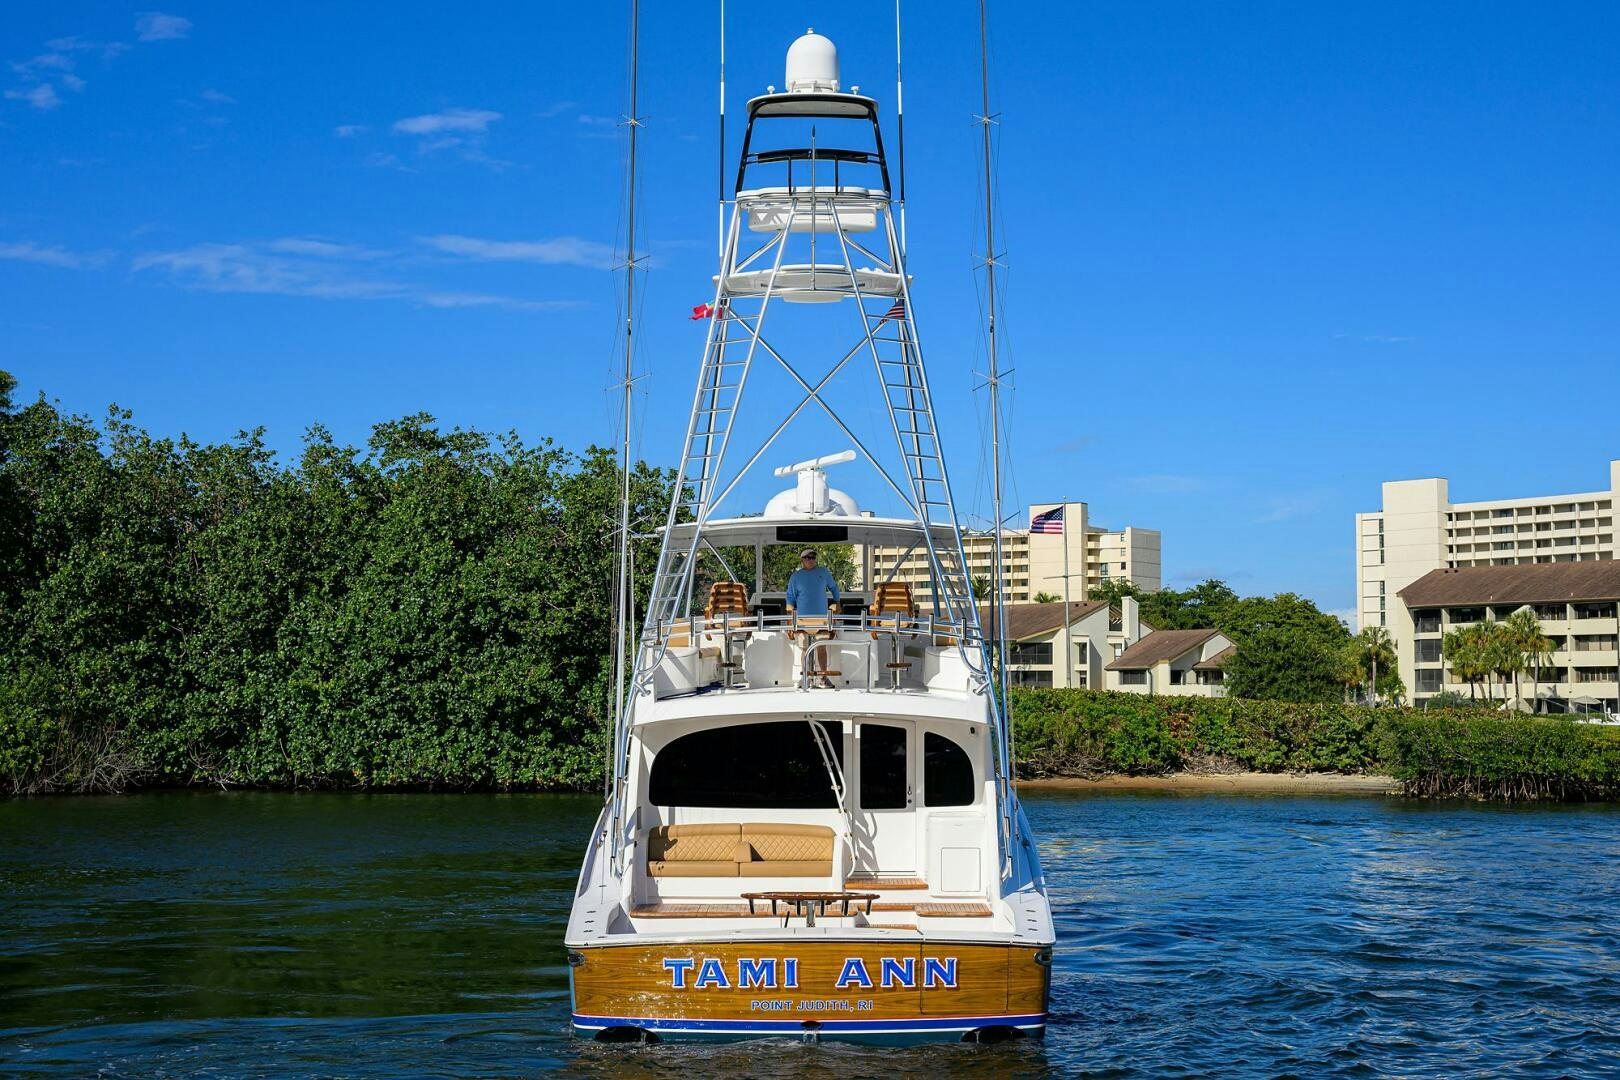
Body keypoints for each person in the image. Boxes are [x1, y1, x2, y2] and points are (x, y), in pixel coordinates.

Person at [784, 548, 841, 687]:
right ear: (802, 560)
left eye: (813, 557)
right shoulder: (795, 576)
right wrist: (790, 617)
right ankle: (806, 678)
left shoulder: (823, 572)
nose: (810, 560)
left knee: (821, 648)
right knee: (805, 649)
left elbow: (834, 588)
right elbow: (790, 598)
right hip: (802, 620)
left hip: (821, 619)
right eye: (807, 557)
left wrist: (836, 603)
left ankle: (823, 678)